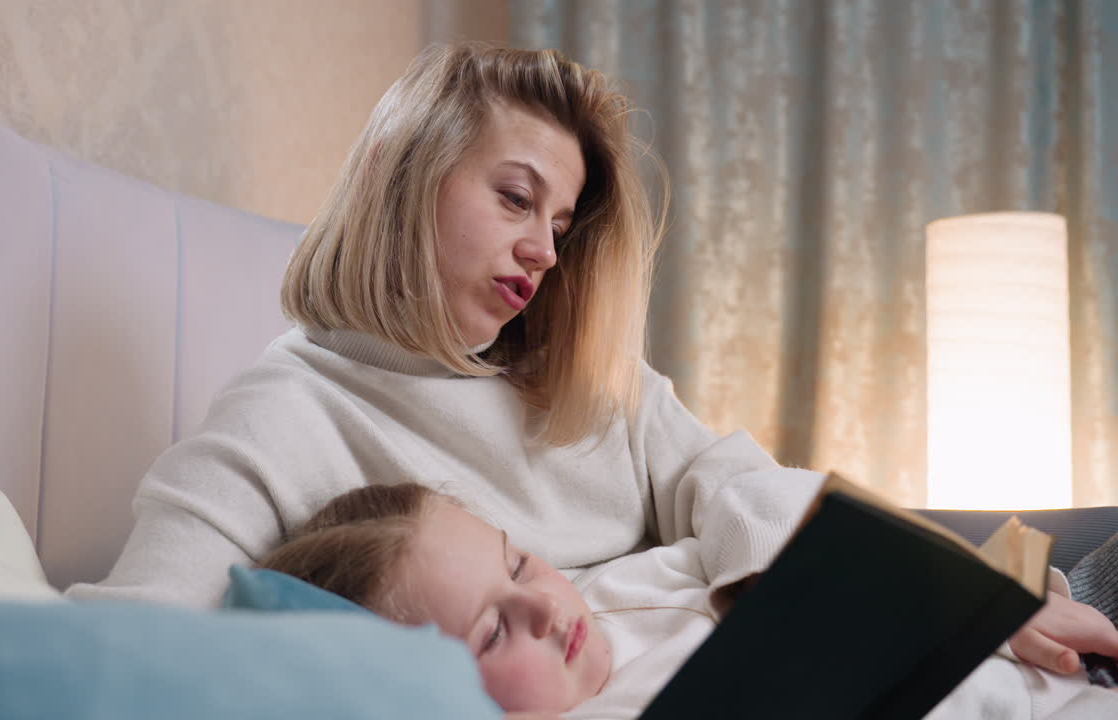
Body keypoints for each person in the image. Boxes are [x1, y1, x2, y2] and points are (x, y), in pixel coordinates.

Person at [65, 41, 831, 612]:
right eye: (514, 198)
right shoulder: (281, 419)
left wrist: (768, 585)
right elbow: (136, 634)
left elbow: (741, 482)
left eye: (560, 226)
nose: (544, 251)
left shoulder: (592, 391)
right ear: (400, 177)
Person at [260, 482, 1118, 719]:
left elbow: (748, 497)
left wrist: (995, 597)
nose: (545, 612)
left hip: (1061, 624)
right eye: (490, 634)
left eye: (520, 567)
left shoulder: (620, 583)